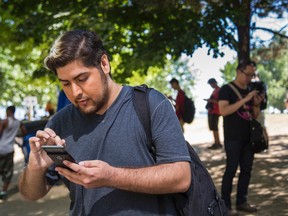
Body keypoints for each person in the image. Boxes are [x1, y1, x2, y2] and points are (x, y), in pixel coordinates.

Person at [18, 29, 191, 215]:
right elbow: (31, 194)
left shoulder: (150, 104)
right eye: (66, 83)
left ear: (104, 63)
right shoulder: (58, 123)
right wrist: (35, 167)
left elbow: (181, 177)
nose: (75, 92)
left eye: (82, 79)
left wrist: (111, 176)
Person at [218, 60, 264, 215]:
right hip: (233, 137)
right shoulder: (226, 89)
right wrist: (244, 99)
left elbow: (254, 116)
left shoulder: (251, 89)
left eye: (252, 75)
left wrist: (256, 104)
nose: (249, 78)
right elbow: (223, 110)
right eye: (247, 75)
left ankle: (242, 202)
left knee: (246, 170)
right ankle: (225, 205)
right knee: (231, 170)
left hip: (249, 138)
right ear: (238, 71)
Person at [0, 106, 26, 199]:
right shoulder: (18, 123)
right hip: (9, 149)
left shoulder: (4, 121)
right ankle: (3, 191)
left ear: (8, 111)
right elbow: (23, 132)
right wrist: (14, 135)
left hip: (1, 148)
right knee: (8, 170)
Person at [205, 78, 222, 150]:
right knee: (213, 127)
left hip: (216, 111)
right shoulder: (215, 91)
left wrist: (210, 100)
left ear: (214, 83)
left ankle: (217, 143)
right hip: (212, 111)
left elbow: (219, 101)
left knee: (215, 128)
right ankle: (216, 142)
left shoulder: (219, 90)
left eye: (211, 84)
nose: (211, 85)